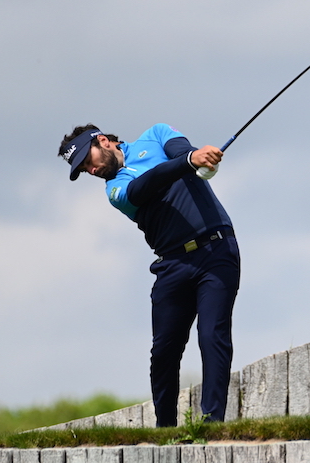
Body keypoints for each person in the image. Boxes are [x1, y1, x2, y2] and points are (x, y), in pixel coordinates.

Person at [58, 123, 240, 427]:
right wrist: (188, 163)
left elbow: (184, 153)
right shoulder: (115, 190)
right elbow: (147, 185)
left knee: (212, 335)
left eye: (88, 161)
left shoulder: (157, 134)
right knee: (164, 352)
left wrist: (199, 160)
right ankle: (165, 430)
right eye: (84, 169)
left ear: (102, 141)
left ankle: (212, 424)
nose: (91, 170)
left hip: (217, 252)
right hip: (172, 266)